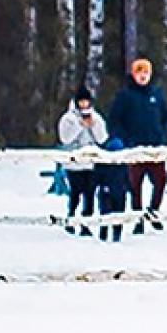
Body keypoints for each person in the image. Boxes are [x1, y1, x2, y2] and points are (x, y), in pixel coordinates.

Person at [107, 57, 167, 233]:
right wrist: (123, 140)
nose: (143, 76)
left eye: (146, 73)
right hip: (134, 148)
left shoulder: (157, 94)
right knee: (135, 185)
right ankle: (138, 219)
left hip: (155, 148)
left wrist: (162, 136)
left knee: (161, 180)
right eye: (139, 72)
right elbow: (115, 120)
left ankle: (153, 211)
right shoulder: (125, 95)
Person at [56, 86, 108, 237]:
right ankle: (71, 218)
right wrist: (80, 126)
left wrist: (94, 126)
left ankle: (86, 223)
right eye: (82, 102)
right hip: (74, 164)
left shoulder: (96, 118)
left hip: (91, 163)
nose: (84, 105)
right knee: (76, 192)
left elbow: (102, 138)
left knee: (90, 193)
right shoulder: (68, 119)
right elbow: (65, 139)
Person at [94, 135, 132, 243]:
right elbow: (97, 176)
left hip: (119, 191)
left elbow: (127, 177)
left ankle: (116, 235)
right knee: (106, 213)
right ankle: (103, 234)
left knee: (118, 214)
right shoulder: (103, 163)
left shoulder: (123, 164)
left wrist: (129, 187)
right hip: (107, 191)